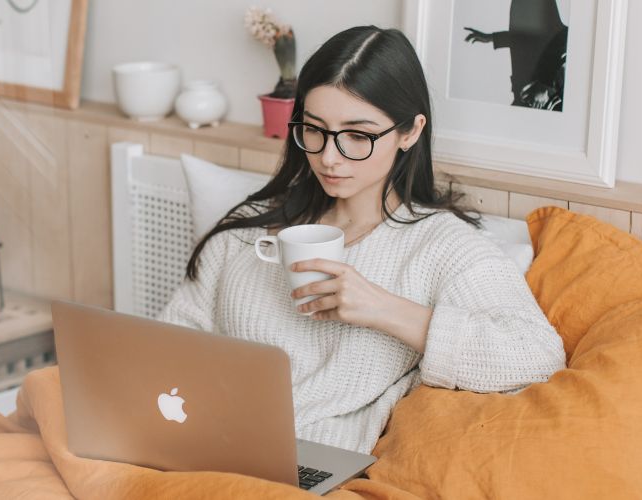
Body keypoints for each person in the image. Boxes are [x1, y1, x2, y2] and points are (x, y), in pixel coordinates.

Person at [156, 26, 566, 455]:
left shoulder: (442, 247)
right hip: (201, 442)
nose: (329, 157)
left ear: (409, 132)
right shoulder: (249, 230)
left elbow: (537, 356)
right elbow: (167, 343)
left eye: (358, 135)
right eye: (314, 129)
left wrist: (384, 310)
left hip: (306, 467)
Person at [463, 0, 568, 110]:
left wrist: (546, 86)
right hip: (526, 96)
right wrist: (491, 38)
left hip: (547, 101)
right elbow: (527, 36)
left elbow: (561, 35)